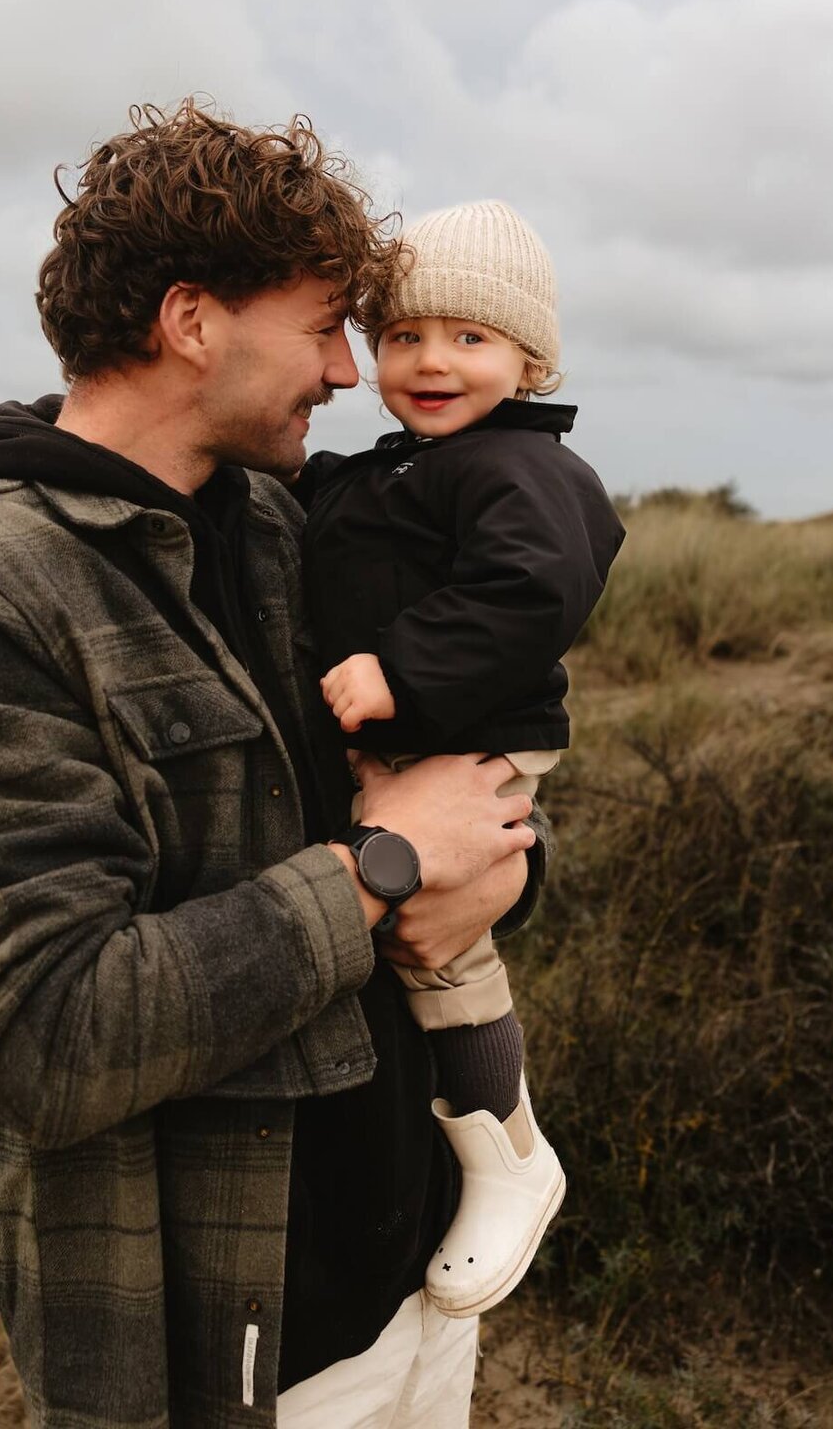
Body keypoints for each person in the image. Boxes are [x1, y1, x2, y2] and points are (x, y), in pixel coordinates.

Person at [0, 104, 548, 1429]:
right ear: (194, 320)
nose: (346, 369)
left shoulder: (286, 525)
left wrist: (498, 858)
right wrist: (385, 870)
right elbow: (49, 1032)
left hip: (420, 1278)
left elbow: (441, 781)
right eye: (325, 324)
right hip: (235, 1359)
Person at [297, 199, 624, 1318]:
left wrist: (402, 672)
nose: (430, 360)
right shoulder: (395, 468)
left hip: (468, 742)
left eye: (469, 338)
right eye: (403, 337)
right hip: (413, 741)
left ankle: (508, 1157)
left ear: (529, 361)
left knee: (439, 954)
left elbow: (534, 590)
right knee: (397, 940)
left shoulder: (522, 469)